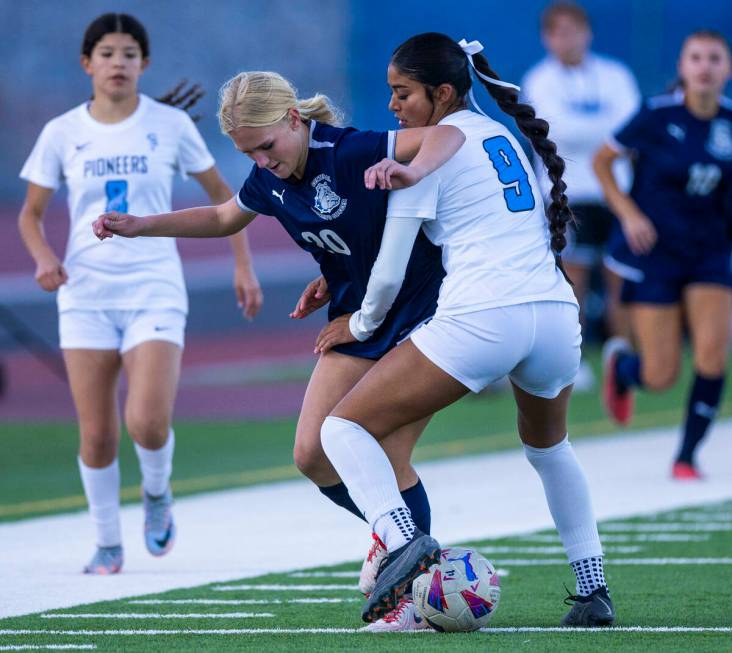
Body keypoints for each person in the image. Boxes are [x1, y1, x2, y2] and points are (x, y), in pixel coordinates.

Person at [91, 71, 464, 610]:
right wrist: (140, 225)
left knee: (388, 455)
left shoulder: (351, 149)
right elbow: (223, 217)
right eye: (249, 153)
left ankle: (410, 582)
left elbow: (448, 136)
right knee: (311, 455)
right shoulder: (267, 176)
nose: (262, 161)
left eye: (266, 146)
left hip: (422, 312)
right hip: (353, 316)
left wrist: (413, 167)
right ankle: (403, 539)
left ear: (294, 119)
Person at [314, 32, 614, 628]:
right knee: (550, 448)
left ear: (442, 92)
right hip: (556, 314)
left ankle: (403, 542)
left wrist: (360, 323)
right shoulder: (506, 133)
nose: (394, 106)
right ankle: (592, 586)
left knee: (343, 427)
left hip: (485, 317)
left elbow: (391, 272)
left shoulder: (427, 153)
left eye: (404, 93)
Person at [17, 13, 263, 575]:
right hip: (84, 295)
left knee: (146, 422)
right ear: (87, 63)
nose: (118, 63)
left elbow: (227, 196)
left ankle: (157, 494)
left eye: (129, 53)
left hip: (153, 287)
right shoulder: (61, 132)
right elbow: (30, 216)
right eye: (106, 53)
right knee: (97, 434)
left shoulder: (170, 124)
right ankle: (106, 543)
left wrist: (243, 266)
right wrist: (45, 260)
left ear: (144, 64)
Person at [593, 30, 732, 480]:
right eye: (696, 58)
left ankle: (687, 456)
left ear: (726, 69)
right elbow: (602, 160)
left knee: (712, 354)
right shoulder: (657, 114)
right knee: (660, 375)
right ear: (683, 67)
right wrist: (629, 212)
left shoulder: (729, 121)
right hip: (656, 252)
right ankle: (624, 368)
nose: (705, 66)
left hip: (710, 251)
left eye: (714, 58)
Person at [522, 1, 640, 390]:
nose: (568, 39)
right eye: (559, 32)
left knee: (618, 275)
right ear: (547, 38)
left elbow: (633, 126)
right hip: (567, 195)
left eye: (574, 30)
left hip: (616, 192)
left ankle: (621, 354)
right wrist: (607, 133)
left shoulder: (615, 75)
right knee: (573, 279)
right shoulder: (539, 80)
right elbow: (557, 130)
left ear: (587, 33)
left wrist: (600, 134)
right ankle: (575, 360)